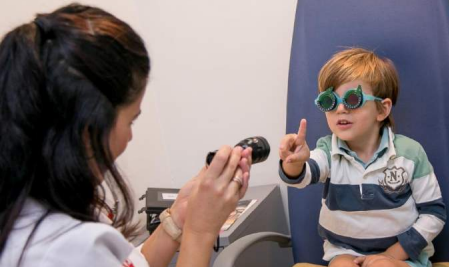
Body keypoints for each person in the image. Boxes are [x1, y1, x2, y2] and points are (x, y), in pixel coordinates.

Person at [0, 3, 253, 267]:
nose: (130, 137)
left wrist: (179, 217)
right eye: (131, 120)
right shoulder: (68, 250)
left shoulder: (37, 206)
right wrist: (201, 231)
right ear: (90, 129)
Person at [278, 48, 446, 267]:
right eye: (329, 101)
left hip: (403, 255)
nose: (339, 109)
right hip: (344, 252)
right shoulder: (328, 151)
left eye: (353, 99)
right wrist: (295, 162)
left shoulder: (409, 154)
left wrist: (394, 254)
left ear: (382, 109)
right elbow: (302, 176)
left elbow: (434, 213)